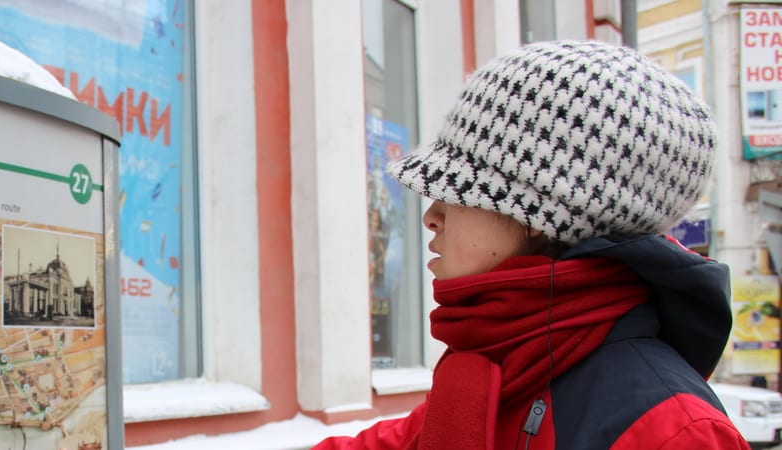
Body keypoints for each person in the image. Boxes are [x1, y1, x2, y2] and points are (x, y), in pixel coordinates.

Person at [313, 40, 750, 449]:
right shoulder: (500, 371)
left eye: (456, 192)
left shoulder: (673, 431)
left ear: (541, 216)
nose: (432, 216)